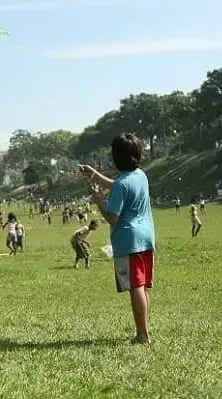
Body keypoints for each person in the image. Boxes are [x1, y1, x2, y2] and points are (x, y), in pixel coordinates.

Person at [78, 133, 155, 345]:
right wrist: (94, 174)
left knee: (135, 286)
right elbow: (120, 184)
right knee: (144, 285)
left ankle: (142, 334)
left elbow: (112, 217)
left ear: (115, 157)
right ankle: (144, 329)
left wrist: (99, 199)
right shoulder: (141, 176)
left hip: (128, 240)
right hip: (147, 237)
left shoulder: (121, 185)